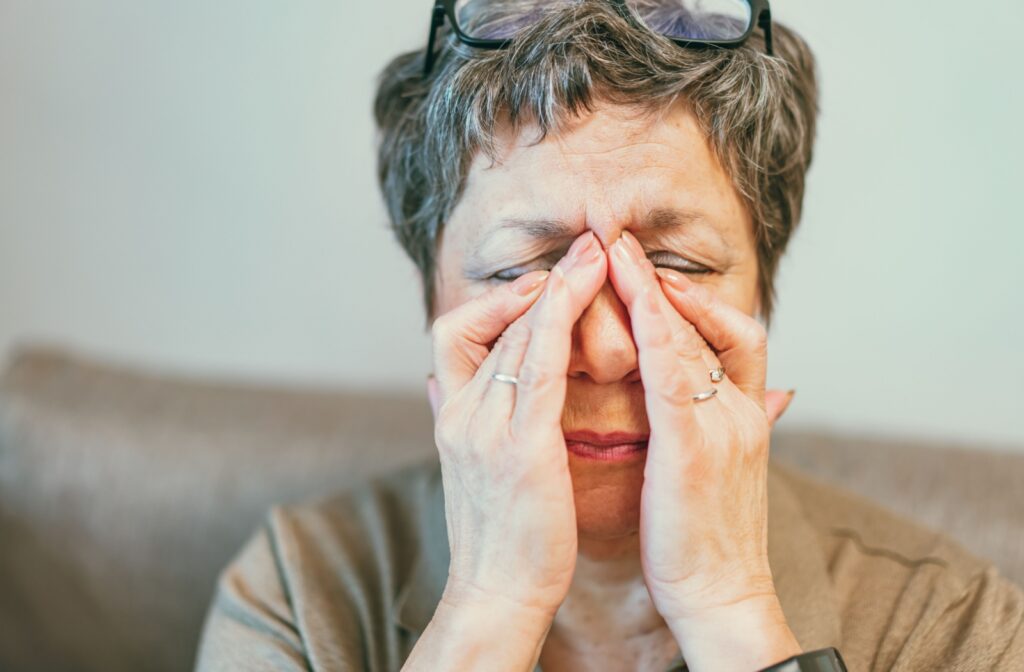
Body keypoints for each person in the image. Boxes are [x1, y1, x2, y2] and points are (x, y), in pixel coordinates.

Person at [194, 1, 1024, 670]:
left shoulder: (952, 626)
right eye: (527, 268)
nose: (607, 348)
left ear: (761, 291)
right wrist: (489, 608)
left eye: (674, 263)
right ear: (431, 299)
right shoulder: (299, 598)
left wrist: (728, 609)